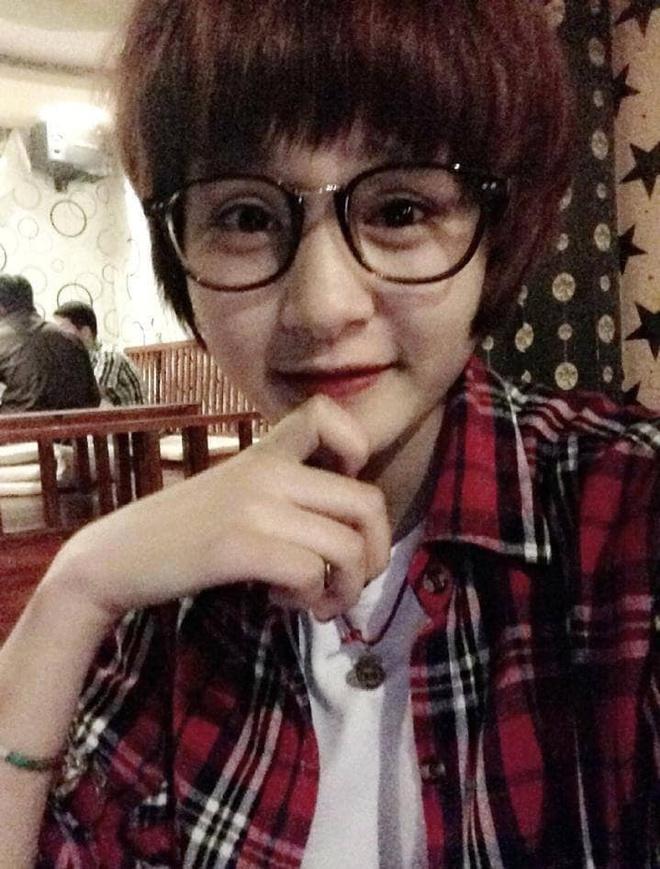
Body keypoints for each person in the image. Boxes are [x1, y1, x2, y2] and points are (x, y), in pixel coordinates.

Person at [0, 1, 657, 866]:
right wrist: (72, 592)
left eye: (401, 208)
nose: (321, 306)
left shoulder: (627, 520)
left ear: (500, 231)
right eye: (245, 217)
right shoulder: (163, 601)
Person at [0, 274, 100, 414]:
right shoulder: (72, 339)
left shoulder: (3, 339)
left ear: (1, 308)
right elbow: (94, 399)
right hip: (74, 427)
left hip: (20, 426)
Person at [53, 301, 146, 406]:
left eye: (63, 329)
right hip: (113, 415)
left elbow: (89, 397)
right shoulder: (83, 358)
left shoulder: (109, 356)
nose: (58, 335)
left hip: (134, 416)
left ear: (85, 332)